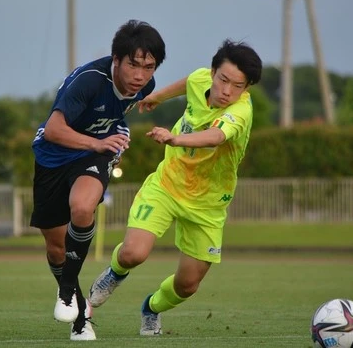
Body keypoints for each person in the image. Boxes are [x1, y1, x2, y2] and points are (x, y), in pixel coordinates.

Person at [89, 39, 262, 336]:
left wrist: (175, 139)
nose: (227, 91)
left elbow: (215, 137)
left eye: (238, 86)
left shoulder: (241, 112)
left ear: (246, 89)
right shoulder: (200, 77)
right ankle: (113, 275)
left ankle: (151, 308)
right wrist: (157, 97)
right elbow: (189, 82)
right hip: (167, 185)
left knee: (187, 285)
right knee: (133, 253)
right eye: (223, 80)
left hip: (207, 205)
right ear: (213, 72)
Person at [30, 19, 166, 341]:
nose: (140, 75)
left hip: (96, 153)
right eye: (133, 65)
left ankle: (69, 298)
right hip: (53, 156)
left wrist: (113, 137)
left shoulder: (144, 86)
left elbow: (116, 112)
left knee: (82, 207)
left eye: (148, 67)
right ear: (116, 59)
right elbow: (53, 130)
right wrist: (97, 141)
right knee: (55, 248)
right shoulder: (90, 81)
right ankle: (78, 308)